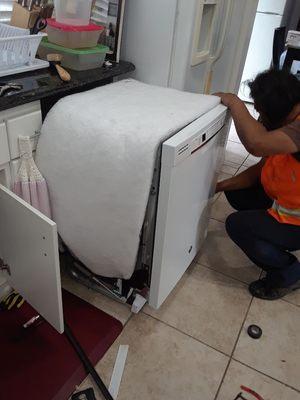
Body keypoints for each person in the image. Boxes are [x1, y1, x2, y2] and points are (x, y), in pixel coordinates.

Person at [215, 69, 300, 300]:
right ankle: (267, 228)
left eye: (261, 113)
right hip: (287, 201)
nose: (260, 120)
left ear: (278, 112)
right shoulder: (288, 122)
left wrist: (233, 101)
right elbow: (261, 169)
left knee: (238, 225)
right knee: (238, 193)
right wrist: (220, 185)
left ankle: (288, 272)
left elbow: (256, 143)